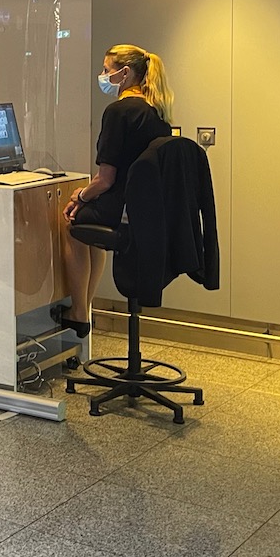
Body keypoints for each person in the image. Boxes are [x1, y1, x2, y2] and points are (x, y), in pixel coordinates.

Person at [56, 44, 174, 337]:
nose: (102, 76)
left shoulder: (118, 112)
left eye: (107, 70)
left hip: (122, 208)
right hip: (146, 211)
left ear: (124, 73)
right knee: (90, 223)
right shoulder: (157, 111)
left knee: (72, 222)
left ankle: (80, 312)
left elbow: (105, 179)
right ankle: (85, 308)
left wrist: (79, 196)